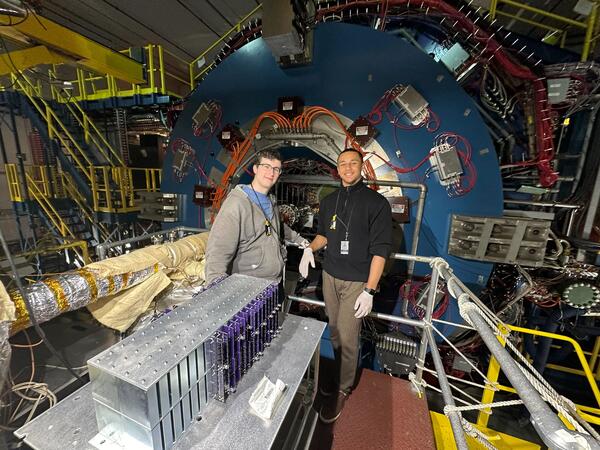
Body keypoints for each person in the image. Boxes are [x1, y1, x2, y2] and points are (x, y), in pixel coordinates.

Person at [299, 148, 392, 423]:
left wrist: (369, 290)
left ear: (361, 167)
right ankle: (339, 375)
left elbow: (380, 251)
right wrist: (309, 249)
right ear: (337, 169)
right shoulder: (330, 201)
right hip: (330, 276)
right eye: (343, 164)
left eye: (353, 163)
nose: (348, 168)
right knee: (336, 331)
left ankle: (343, 388)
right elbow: (324, 235)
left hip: (356, 283)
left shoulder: (377, 204)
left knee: (349, 337)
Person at [205, 149, 308, 285]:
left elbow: (278, 227)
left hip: (272, 282)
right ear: (255, 169)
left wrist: (304, 243)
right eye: (266, 167)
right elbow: (218, 250)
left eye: (276, 169)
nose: (271, 173)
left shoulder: (271, 200)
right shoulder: (237, 203)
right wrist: (215, 287)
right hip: (247, 285)